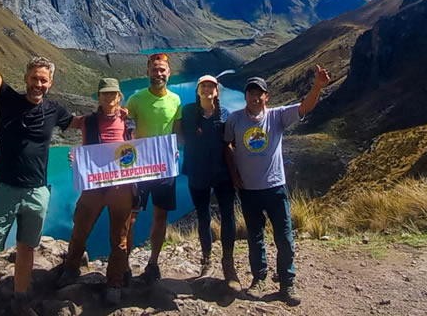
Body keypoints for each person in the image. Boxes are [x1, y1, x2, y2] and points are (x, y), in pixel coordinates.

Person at [0, 12, 73, 316]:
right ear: (26, 78)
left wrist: (116, 114)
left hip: (37, 192)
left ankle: (20, 301)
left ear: (50, 83)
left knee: (27, 249)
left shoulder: (54, 110)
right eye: (34, 78)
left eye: (44, 79)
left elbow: (80, 123)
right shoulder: (7, 99)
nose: (38, 84)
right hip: (6, 190)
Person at [225, 66, 330, 307]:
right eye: (251, 93)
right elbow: (227, 146)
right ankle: (259, 279)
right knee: (255, 237)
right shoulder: (234, 119)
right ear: (246, 97)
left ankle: (287, 284)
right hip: (249, 190)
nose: (255, 97)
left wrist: (317, 86)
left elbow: (304, 108)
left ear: (266, 96)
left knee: (284, 238)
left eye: (259, 93)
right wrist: (234, 175)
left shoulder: (277, 116)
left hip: (275, 188)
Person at [57, 78, 135, 305]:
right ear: (98, 97)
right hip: (93, 187)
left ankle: (114, 283)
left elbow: (139, 150)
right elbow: (66, 124)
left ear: (119, 97)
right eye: (104, 94)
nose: (109, 98)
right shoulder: (86, 122)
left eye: (113, 94)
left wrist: (166, 157)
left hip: (120, 188)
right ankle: (71, 269)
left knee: (119, 239)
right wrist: (77, 156)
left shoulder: (127, 121)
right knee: (80, 230)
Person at [177, 74, 240, 290]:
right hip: (197, 172)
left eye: (211, 86)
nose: (207, 89)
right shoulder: (187, 112)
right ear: (197, 90)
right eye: (203, 86)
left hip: (222, 174)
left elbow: (232, 143)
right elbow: (176, 134)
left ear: (216, 91)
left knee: (228, 215)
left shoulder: (226, 115)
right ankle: (206, 259)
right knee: (203, 216)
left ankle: (228, 263)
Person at [124, 52, 182, 283]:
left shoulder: (175, 100)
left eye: (162, 70)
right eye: (154, 70)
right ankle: (124, 264)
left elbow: (175, 130)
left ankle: (153, 263)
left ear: (169, 73)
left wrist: (175, 148)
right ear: (147, 72)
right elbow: (125, 131)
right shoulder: (136, 99)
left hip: (164, 167)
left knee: (161, 216)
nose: (158, 74)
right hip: (138, 166)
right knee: (131, 218)